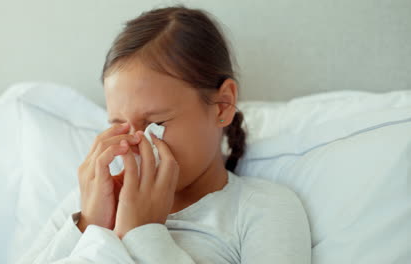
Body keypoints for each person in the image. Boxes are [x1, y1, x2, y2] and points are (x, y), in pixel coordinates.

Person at [17, 5, 311, 264]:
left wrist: (143, 234)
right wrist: (90, 225)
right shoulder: (88, 201)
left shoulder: (261, 210)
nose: (136, 143)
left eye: (156, 122)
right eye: (119, 124)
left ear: (222, 105)